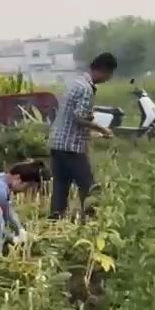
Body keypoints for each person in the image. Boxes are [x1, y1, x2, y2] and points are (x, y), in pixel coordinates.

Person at [49, 52, 117, 220]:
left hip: (57, 143)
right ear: (103, 70)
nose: (108, 79)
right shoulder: (86, 89)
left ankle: (55, 219)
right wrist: (103, 130)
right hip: (71, 147)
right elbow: (79, 117)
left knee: (61, 185)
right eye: (109, 75)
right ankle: (93, 221)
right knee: (88, 185)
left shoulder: (76, 82)